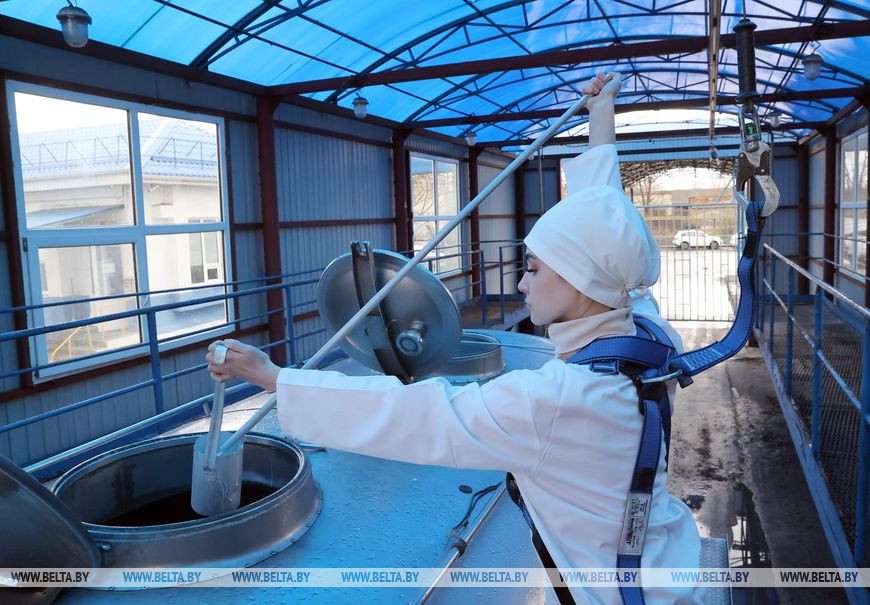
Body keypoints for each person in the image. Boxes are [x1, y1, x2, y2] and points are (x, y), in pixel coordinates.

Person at [207, 72, 704, 605]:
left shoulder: (553, 401)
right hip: (668, 567)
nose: (521, 283)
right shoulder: (650, 333)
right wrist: (601, 117)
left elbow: (417, 414)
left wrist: (275, 378)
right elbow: (606, 232)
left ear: (580, 279)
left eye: (534, 268)